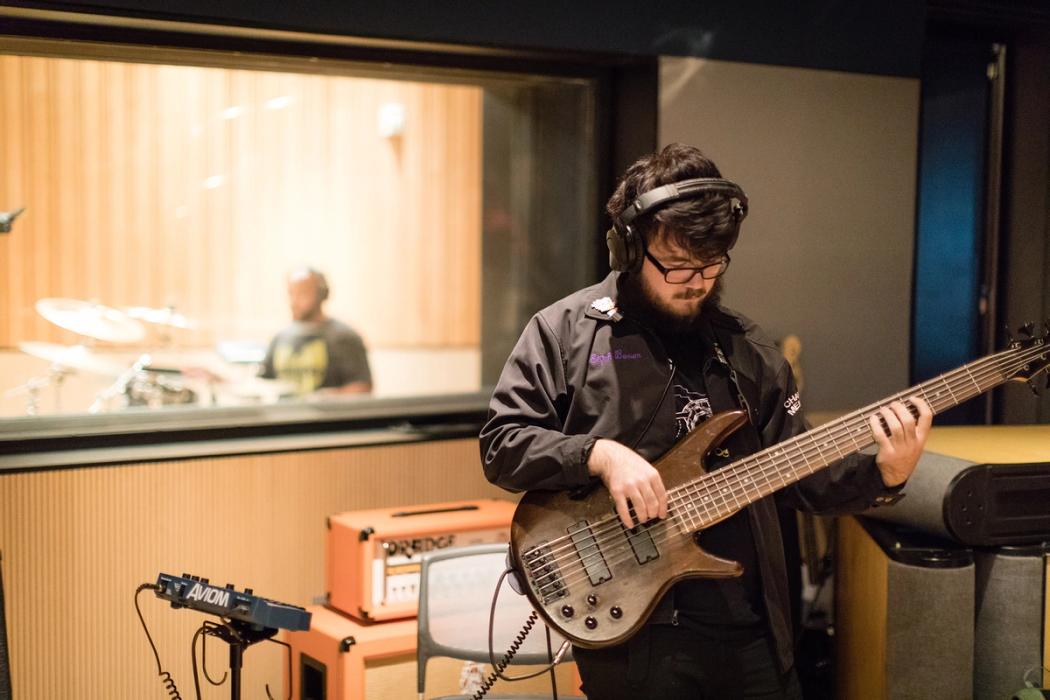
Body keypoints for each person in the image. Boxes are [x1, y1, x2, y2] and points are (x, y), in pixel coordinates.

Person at [479, 143, 932, 699]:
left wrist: (884, 475)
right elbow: (502, 444)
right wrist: (599, 455)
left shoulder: (750, 350)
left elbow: (800, 476)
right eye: (676, 265)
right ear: (627, 249)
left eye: (710, 265)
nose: (695, 281)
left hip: (751, 630)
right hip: (636, 637)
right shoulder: (564, 333)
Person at [260, 267, 372, 396]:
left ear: (322, 294)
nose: (294, 301)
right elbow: (264, 381)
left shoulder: (344, 337)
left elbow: (363, 387)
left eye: (302, 294)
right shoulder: (280, 338)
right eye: (291, 293)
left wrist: (328, 398)